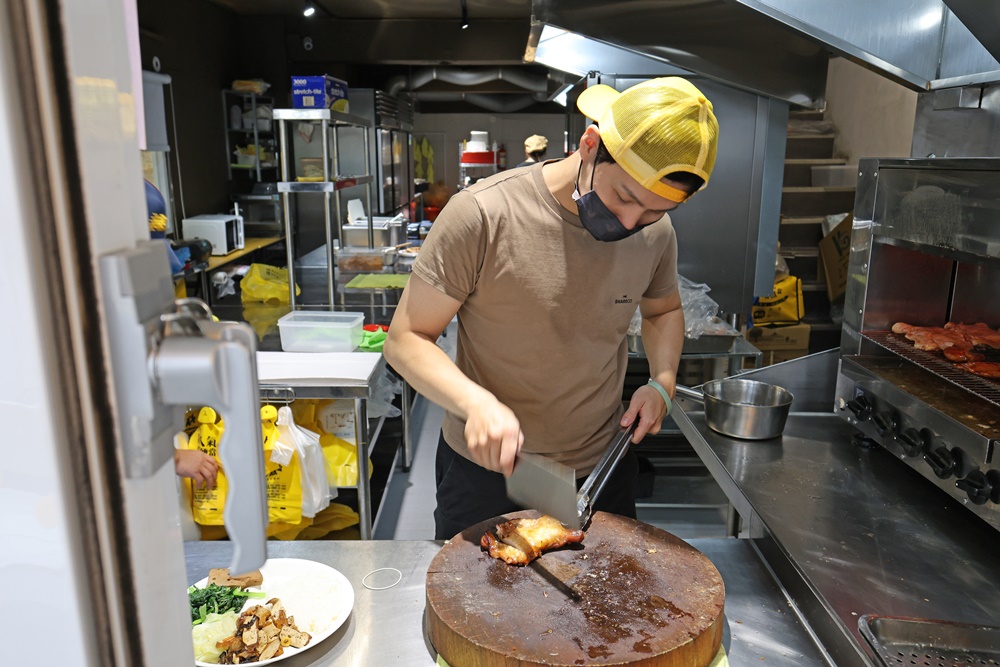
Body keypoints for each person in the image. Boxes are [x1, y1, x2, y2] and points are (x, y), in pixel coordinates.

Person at [383, 77, 719, 539]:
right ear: (590, 144)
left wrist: (662, 382)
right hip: (488, 470)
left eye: (654, 212)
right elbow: (406, 338)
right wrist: (473, 402)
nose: (629, 224)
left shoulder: (654, 236)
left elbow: (662, 311)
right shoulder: (483, 214)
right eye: (624, 197)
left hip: (600, 466)